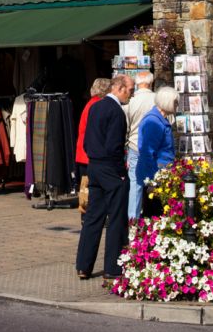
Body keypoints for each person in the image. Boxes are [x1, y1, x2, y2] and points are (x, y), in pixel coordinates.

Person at [74, 72, 134, 285]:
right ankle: (113, 267)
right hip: (110, 167)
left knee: (93, 217)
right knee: (116, 218)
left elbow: (87, 141)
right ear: (119, 88)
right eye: (130, 90)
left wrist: (94, 160)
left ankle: (83, 265)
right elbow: (114, 145)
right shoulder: (116, 111)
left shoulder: (96, 106)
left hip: (94, 165)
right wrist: (119, 171)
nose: (131, 95)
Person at [134, 87, 179, 218]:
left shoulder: (160, 120)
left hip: (161, 174)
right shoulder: (153, 121)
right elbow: (147, 152)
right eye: (175, 102)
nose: (177, 105)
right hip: (155, 176)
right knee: (154, 213)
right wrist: (151, 181)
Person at [76, 78, 110, 215]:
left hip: (84, 153)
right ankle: (88, 214)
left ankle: (88, 213)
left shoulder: (91, 103)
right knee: (89, 187)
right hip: (89, 154)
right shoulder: (97, 105)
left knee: (87, 186)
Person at [125, 71, 156, 220]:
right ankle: (157, 217)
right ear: (151, 82)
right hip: (154, 147)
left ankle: (133, 218)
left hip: (135, 145)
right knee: (156, 181)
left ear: (137, 84)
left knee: (135, 183)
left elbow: (126, 125)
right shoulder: (157, 99)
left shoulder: (131, 101)